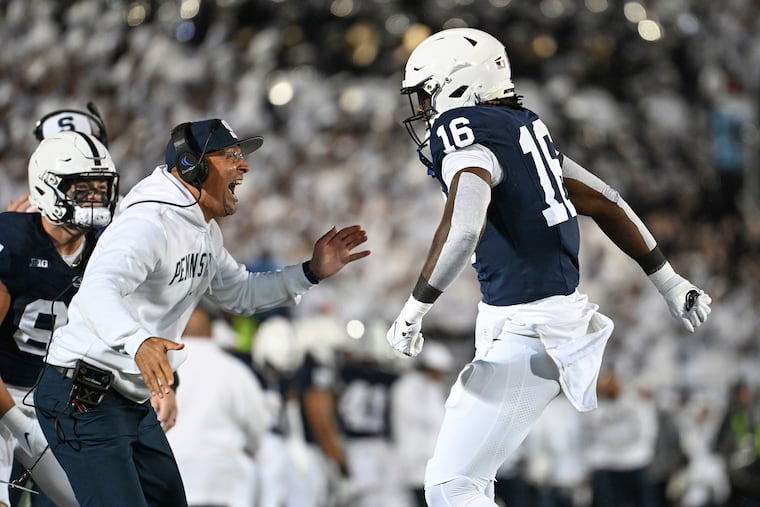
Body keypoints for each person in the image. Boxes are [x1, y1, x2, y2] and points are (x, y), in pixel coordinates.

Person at [385, 28, 712, 507]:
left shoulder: (465, 133)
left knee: (451, 487)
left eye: (429, 94)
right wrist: (669, 280)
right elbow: (605, 201)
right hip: (534, 320)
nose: (425, 111)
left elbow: (463, 227)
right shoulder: (522, 127)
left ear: (458, 85)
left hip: (528, 326)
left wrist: (413, 310)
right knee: (471, 482)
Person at [34, 118, 370, 506]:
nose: (243, 166)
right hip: (82, 395)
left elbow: (241, 292)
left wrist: (309, 272)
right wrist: (138, 341)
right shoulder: (149, 221)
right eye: (231, 156)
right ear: (192, 165)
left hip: (126, 398)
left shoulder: (202, 230)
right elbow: (97, 291)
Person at [0, 128, 119, 507]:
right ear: (48, 187)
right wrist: (18, 424)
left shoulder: (107, 250)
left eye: (101, 189)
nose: (96, 199)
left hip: (53, 405)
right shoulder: (14, 240)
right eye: (84, 189)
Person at [166, 302, 273, 507]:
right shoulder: (234, 371)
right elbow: (258, 428)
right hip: (218, 483)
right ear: (212, 328)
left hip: (168, 480)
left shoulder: (161, 368)